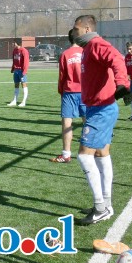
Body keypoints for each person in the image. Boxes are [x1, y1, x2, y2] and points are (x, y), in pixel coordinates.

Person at [71, 15, 130, 225]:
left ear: (87, 28)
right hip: (99, 108)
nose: (74, 32)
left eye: (77, 28)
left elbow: (116, 58)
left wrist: (122, 84)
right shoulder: (88, 48)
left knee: (84, 156)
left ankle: (100, 208)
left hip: (101, 110)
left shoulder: (97, 44)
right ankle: (106, 204)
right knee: (101, 153)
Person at [50, 29, 86, 163]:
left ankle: (66, 154)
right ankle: (92, 152)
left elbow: (62, 77)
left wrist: (61, 91)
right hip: (85, 92)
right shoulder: (85, 53)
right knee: (87, 121)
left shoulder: (65, 54)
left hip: (69, 92)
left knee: (66, 122)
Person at [8, 38, 29, 107]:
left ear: (17, 43)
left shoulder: (24, 51)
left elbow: (26, 62)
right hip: (16, 71)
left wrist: (24, 71)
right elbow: (14, 60)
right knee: (16, 85)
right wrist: (13, 68)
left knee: (24, 85)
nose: (12, 44)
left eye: (13, 42)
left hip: (21, 71)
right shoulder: (14, 51)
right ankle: (14, 100)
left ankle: (23, 101)